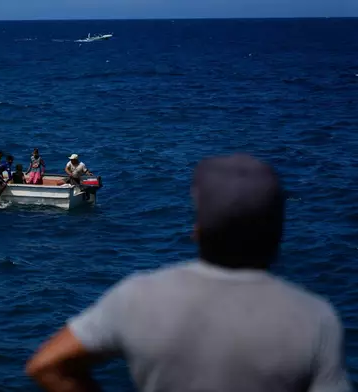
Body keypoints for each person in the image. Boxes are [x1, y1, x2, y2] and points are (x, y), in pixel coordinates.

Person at [26, 153, 351, 392]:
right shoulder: (314, 319)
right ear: (278, 232)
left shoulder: (140, 296)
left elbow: (48, 365)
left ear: (197, 230)